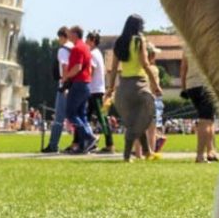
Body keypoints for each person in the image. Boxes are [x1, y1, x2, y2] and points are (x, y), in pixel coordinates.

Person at [105, 14, 162, 162]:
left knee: (135, 120)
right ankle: (126, 156)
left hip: (123, 86)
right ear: (138, 27)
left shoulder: (120, 42)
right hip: (139, 84)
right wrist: (155, 85)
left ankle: (148, 152)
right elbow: (145, 63)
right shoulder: (139, 40)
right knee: (139, 120)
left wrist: (110, 88)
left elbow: (114, 67)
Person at [180, 48, 218, 163]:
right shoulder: (209, 47)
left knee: (209, 120)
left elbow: (183, 68)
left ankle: (211, 151)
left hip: (191, 86)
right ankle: (200, 155)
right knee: (205, 121)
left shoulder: (188, 47)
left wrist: (183, 88)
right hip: (205, 85)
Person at [63, 25, 96, 154]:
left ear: (76, 34)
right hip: (86, 84)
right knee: (81, 115)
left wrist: (66, 76)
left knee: (71, 113)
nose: (68, 35)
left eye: (70, 33)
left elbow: (77, 67)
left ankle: (88, 136)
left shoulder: (77, 48)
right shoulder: (86, 48)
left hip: (78, 83)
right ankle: (83, 145)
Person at [41, 26, 73, 153]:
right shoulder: (74, 48)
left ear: (62, 37)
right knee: (75, 115)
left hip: (64, 83)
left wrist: (63, 84)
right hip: (75, 83)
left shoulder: (63, 50)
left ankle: (53, 144)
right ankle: (80, 142)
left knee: (59, 117)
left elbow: (64, 67)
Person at [86, 31, 114, 153]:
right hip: (97, 90)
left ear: (92, 41)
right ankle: (87, 140)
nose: (85, 42)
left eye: (87, 40)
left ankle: (109, 144)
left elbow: (90, 72)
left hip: (94, 91)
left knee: (102, 119)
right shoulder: (98, 53)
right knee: (86, 118)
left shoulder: (92, 54)